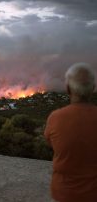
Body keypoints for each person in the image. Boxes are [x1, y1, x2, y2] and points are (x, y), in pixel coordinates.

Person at [44, 62, 97, 202]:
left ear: (67, 88)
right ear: (93, 88)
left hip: (63, 194)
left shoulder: (55, 118)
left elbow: (51, 143)